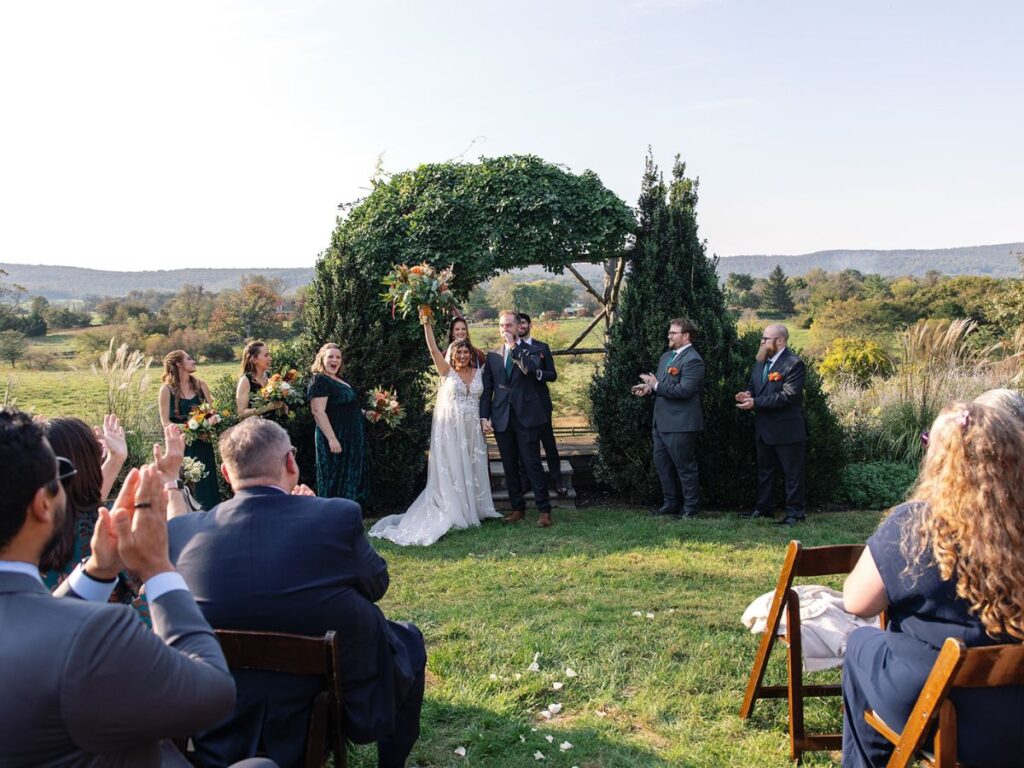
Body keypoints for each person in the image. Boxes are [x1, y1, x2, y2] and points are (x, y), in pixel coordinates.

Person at [0, 409, 274, 768]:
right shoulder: (94, 632)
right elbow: (213, 694)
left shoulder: (40, 625)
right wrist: (158, 568)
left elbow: (35, 630)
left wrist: (97, 573)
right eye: (61, 476)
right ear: (43, 505)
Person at [168, 419, 426, 768]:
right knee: (409, 641)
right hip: (320, 689)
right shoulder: (336, 516)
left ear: (226, 477)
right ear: (291, 462)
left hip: (223, 698)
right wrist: (318, 513)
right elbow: (376, 585)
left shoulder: (183, 531)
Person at [841, 400, 1024, 767]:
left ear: (939, 459)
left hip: (942, 713)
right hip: (1015, 721)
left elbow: (857, 602)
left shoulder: (914, 525)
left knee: (861, 643)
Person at [370, 320, 500, 545]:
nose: (462, 356)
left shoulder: (479, 372)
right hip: (451, 429)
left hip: (472, 430)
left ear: (471, 354)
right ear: (451, 354)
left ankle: (476, 509)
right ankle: (455, 510)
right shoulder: (446, 371)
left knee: (472, 465)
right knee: (454, 467)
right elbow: (431, 348)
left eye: (466, 352)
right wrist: (426, 323)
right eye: (458, 352)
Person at [480, 309, 552, 527]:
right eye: (502, 326)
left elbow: (530, 369)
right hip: (502, 417)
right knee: (509, 465)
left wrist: (513, 348)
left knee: (531, 464)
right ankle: (517, 508)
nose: (505, 330)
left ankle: (544, 511)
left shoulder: (533, 350)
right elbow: (488, 389)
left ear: (518, 326)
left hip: (527, 416)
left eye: (509, 325)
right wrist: (485, 417)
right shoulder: (492, 355)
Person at [632, 318, 705, 518]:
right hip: (661, 422)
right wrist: (647, 388)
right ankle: (670, 503)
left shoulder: (693, 360)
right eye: (669, 332)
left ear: (686, 336)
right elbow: (663, 387)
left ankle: (691, 509)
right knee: (662, 466)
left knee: (685, 468)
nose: (669, 336)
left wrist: (655, 386)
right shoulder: (666, 357)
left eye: (673, 333)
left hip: (681, 424)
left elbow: (684, 390)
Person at [734, 324, 807, 525]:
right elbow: (754, 386)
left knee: (792, 474)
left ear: (781, 341)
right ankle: (763, 508)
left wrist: (755, 402)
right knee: (765, 471)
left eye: (766, 339)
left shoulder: (794, 364)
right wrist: (747, 394)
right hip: (764, 428)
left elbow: (787, 396)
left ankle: (795, 514)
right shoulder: (761, 362)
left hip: (787, 430)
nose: (762, 342)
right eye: (762, 338)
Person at [307, 342, 372, 505]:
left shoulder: (339, 379)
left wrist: (366, 413)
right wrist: (332, 439)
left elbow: (347, 406)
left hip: (351, 437)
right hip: (336, 437)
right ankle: (333, 517)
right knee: (335, 478)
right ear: (322, 358)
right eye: (330, 356)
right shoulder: (319, 380)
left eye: (338, 357)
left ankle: (348, 513)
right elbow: (318, 412)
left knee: (350, 478)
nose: (334, 360)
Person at [159, 349, 221, 510]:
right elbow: (165, 422)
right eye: (189, 358)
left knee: (207, 486)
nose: (193, 361)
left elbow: (213, 413)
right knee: (187, 486)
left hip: (203, 445)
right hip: (181, 448)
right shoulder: (166, 390)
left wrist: (210, 422)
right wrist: (190, 428)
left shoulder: (201, 386)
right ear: (179, 364)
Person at [516, 313, 567, 496]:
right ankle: (527, 481)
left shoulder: (542, 347)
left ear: (529, 325)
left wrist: (539, 374)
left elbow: (552, 374)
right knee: (528, 446)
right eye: (517, 323)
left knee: (549, 443)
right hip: (522, 405)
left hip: (541, 404)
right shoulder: (511, 349)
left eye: (523, 322)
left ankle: (557, 479)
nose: (520, 326)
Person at [236, 341, 289, 422]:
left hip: (272, 427)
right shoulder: (245, 381)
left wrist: (282, 406)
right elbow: (241, 413)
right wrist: (268, 407)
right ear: (254, 360)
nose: (270, 358)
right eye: (266, 355)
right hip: (254, 430)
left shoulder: (269, 376)